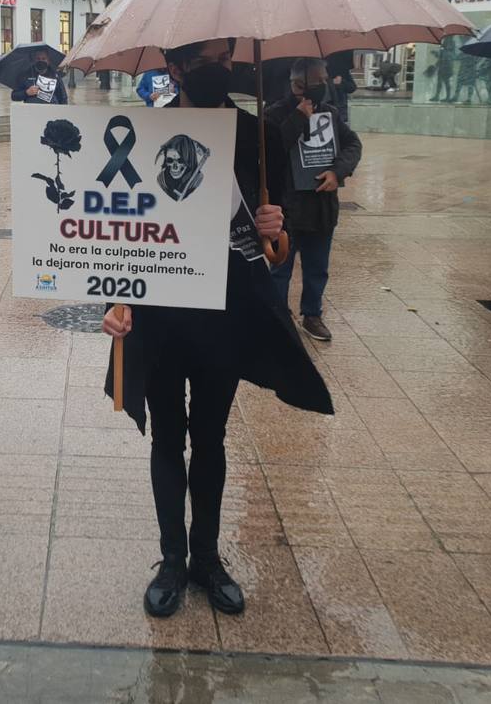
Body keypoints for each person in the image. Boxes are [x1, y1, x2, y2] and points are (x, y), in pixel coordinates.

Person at [101, 37, 332, 621]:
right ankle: (172, 561)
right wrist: (111, 300)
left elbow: (277, 255)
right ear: (174, 68)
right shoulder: (145, 135)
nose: (221, 69)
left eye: (228, 59)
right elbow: (115, 231)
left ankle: (206, 557)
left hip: (225, 312)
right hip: (158, 314)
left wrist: (274, 230)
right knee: (166, 437)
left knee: (210, 438)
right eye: (207, 60)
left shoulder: (258, 136)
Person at [266, 58, 363, 342]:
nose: (323, 86)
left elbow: (353, 144)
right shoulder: (274, 113)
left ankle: (312, 314)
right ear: (297, 84)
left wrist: (337, 171)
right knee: (280, 269)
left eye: (324, 80)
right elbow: (269, 151)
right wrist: (297, 118)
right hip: (286, 207)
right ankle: (278, 319)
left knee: (317, 267)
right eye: (317, 81)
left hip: (321, 208)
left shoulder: (330, 114)